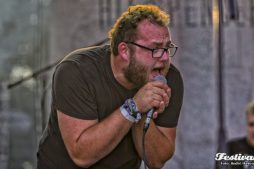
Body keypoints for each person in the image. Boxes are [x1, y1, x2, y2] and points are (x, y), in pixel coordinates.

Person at [37, 4, 183, 169]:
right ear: (125, 51)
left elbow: (156, 161)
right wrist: (133, 107)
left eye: (167, 48)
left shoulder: (168, 77)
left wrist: (141, 113)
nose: (164, 58)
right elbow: (82, 156)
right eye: (155, 49)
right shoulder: (77, 70)